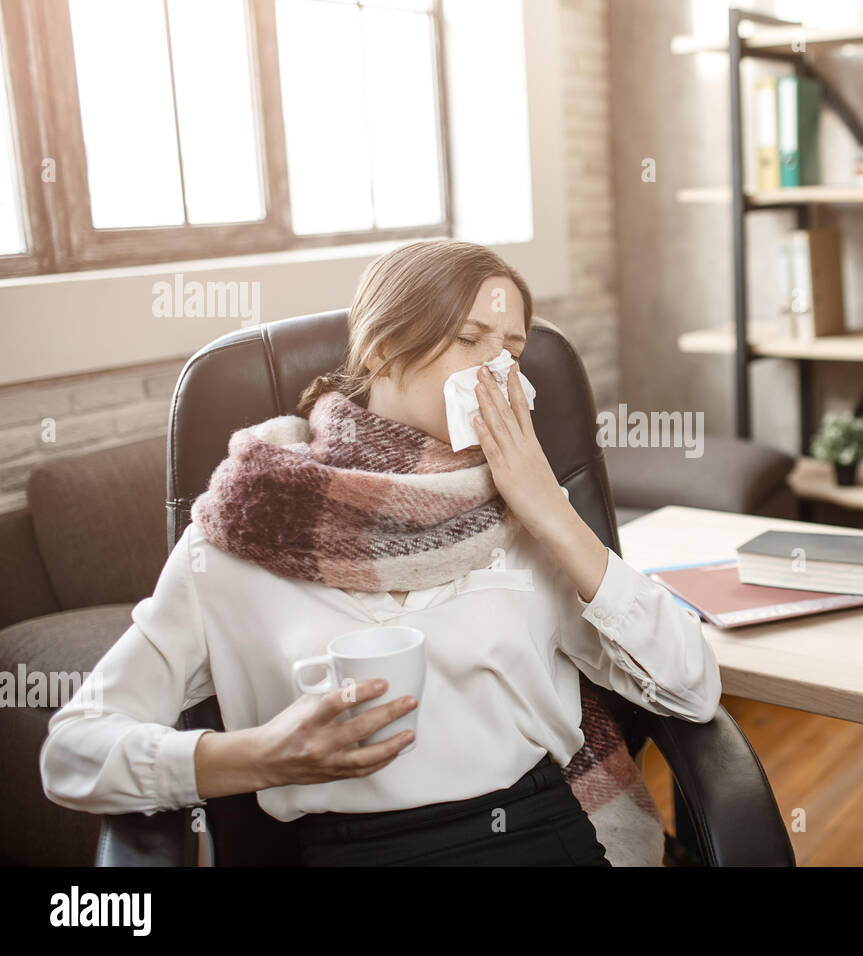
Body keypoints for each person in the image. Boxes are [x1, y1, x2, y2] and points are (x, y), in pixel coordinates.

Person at [39, 239, 722, 866]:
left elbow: (690, 687)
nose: (499, 371)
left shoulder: (533, 520)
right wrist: (255, 757)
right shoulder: (246, 530)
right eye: (470, 340)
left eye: (511, 351)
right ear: (383, 349)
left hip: (539, 834)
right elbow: (74, 751)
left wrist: (549, 511)